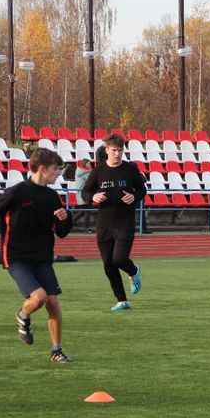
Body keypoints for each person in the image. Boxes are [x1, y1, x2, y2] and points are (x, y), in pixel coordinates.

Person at [0, 148, 75, 362]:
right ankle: (23, 315)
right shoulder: (17, 192)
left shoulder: (52, 196)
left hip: (42, 257)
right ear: (42, 169)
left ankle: (56, 351)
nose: (58, 173)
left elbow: (61, 232)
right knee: (39, 297)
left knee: (52, 302)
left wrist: (66, 217)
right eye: (55, 169)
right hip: (16, 257)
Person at [81, 133, 147, 311]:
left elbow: (142, 189)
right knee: (108, 264)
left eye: (120, 150)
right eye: (114, 150)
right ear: (106, 150)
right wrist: (93, 196)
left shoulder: (130, 169)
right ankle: (122, 300)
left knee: (119, 259)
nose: (117, 154)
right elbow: (85, 192)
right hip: (104, 223)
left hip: (124, 222)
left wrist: (134, 196)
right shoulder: (98, 171)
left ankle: (133, 271)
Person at [73, 158, 94, 232]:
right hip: (85, 194)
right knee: (87, 211)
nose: (90, 165)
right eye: (88, 164)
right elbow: (92, 182)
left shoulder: (78, 171)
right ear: (84, 164)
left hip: (80, 194)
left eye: (90, 164)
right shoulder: (86, 173)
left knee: (83, 211)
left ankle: (69, 223)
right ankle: (86, 229)